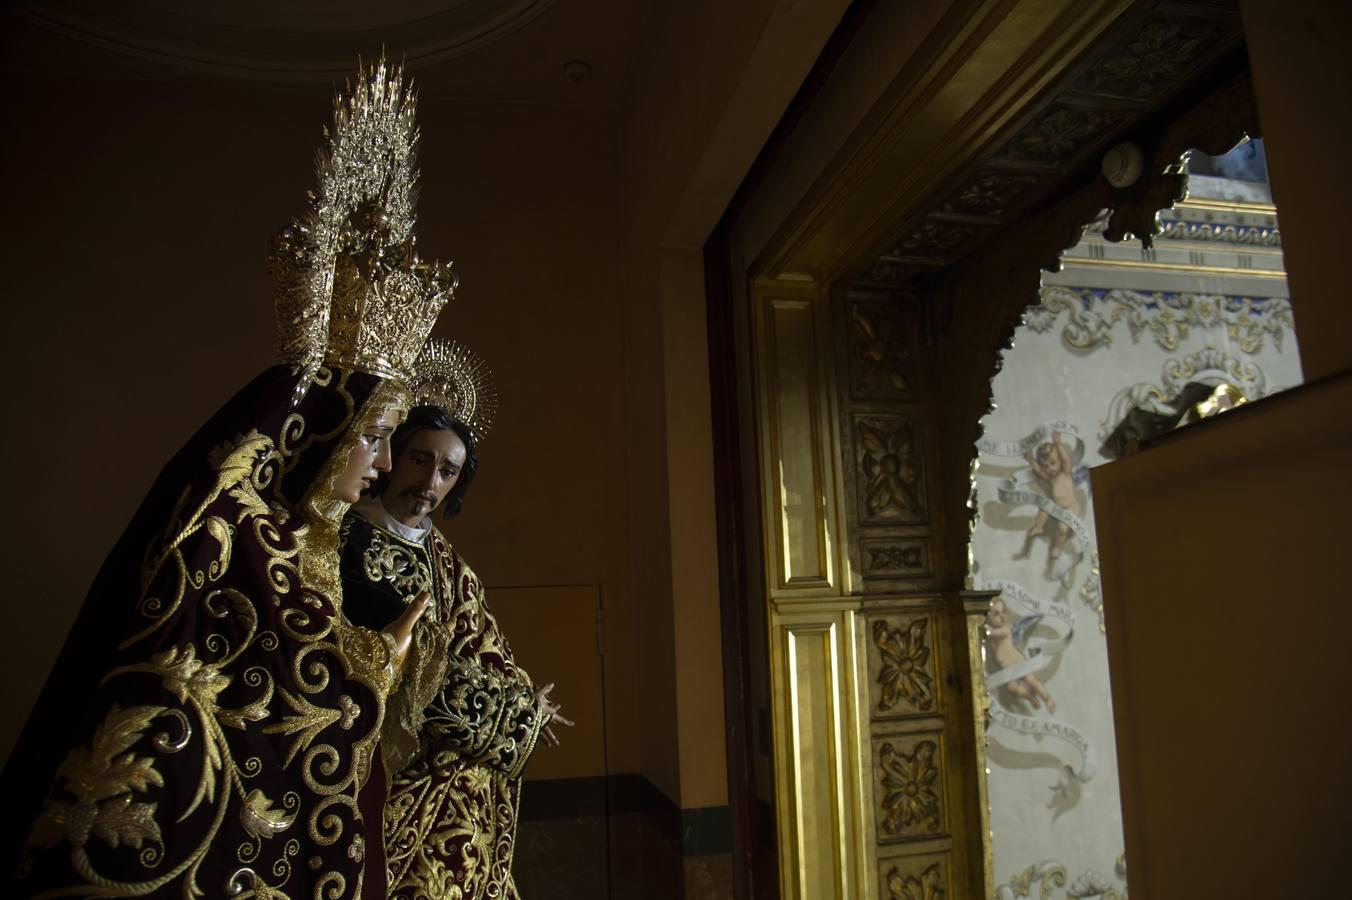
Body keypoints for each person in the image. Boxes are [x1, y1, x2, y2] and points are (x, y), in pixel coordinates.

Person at [0, 58, 453, 898]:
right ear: (323, 435)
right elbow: (269, 691)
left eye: (422, 458)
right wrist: (380, 661)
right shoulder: (229, 532)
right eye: (383, 440)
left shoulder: (308, 534)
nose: (390, 467)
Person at [338, 340, 572, 900]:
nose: (430, 482)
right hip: (388, 761)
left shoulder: (448, 559)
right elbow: (399, 658)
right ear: (394, 454)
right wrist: (517, 717)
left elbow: (483, 641)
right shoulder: (346, 537)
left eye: (448, 471)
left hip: (460, 777)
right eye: (421, 460)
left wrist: (524, 698)